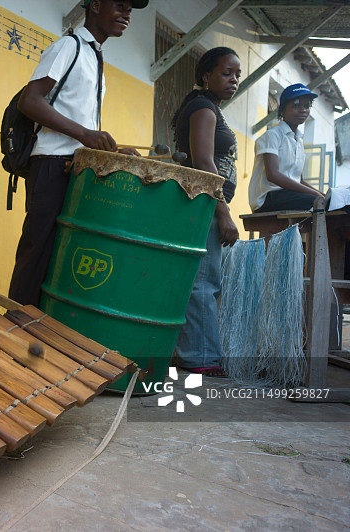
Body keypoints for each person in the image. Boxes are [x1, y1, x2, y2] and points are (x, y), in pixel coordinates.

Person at [7, 0, 147, 307]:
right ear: (95, 5)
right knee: (37, 252)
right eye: (120, 6)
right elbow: (30, 101)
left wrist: (110, 150)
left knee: (62, 254)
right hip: (51, 165)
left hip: (75, 165)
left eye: (131, 11)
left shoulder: (94, 55)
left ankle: (44, 330)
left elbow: (80, 124)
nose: (126, 15)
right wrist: (84, 135)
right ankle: (16, 329)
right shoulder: (68, 46)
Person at [170, 47, 241, 377]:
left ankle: (193, 352)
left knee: (199, 281)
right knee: (202, 282)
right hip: (203, 206)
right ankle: (200, 357)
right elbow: (204, 164)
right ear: (205, 76)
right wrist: (223, 213)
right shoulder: (203, 108)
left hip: (199, 205)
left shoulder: (205, 106)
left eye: (237, 74)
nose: (234, 80)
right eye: (226, 73)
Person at [249, 83, 323, 212]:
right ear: (282, 109)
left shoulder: (298, 142)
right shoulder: (272, 135)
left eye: (306, 106)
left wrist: (322, 194)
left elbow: (299, 180)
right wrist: (316, 195)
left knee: (330, 203)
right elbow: (273, 175)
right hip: (268, 198)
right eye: (296, 105)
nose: (303, 110)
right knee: (317, 203)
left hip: (290, 196)